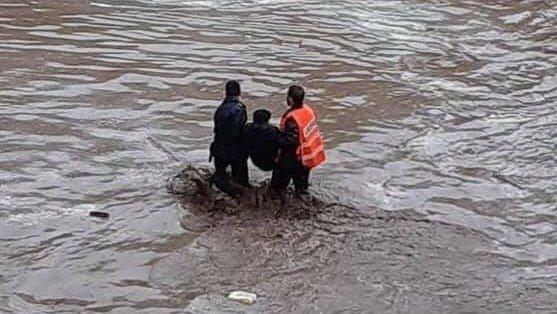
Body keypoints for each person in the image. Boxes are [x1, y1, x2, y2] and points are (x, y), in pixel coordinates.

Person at [271, 85, 326, 195]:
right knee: (301, 186)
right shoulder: (307, 110)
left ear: (291, 99)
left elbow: (291, 141)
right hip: (308, 154)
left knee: (278, 184)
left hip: (294, 156)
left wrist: (275, 139)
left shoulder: (292, 118)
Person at [210, 80, 249, 193]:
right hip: (235, 148)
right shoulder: (240, 108)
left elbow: (217, 128)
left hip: (219, 147)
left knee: (221, 179)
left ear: (226, 93)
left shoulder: (220, 109)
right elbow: (239, 130)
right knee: (241, 181)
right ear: (239, 93)